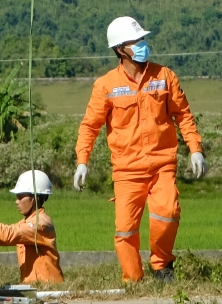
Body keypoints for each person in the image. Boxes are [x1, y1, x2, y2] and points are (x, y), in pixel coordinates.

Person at [75, 16, 206, 282]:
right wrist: (82, 161)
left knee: (168, 213)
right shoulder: (106, 85)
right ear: (120, 49)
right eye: (135, 41)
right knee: (125, 230)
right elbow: (90, 126)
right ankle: (133, 279)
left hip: (162, 163)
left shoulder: (165, 76)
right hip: (126, 169)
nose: (142, 45)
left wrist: (195, 148)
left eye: (142, 39)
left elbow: (183, 116)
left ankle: (161, 265)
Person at [0, 169, 63, 285]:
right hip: (35, 287)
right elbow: (0, 237)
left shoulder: (41, 223)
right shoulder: (26, 223)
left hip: (48, 287)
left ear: (34, 198)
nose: (16, 201)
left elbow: (7, 234)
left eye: (20, 197)